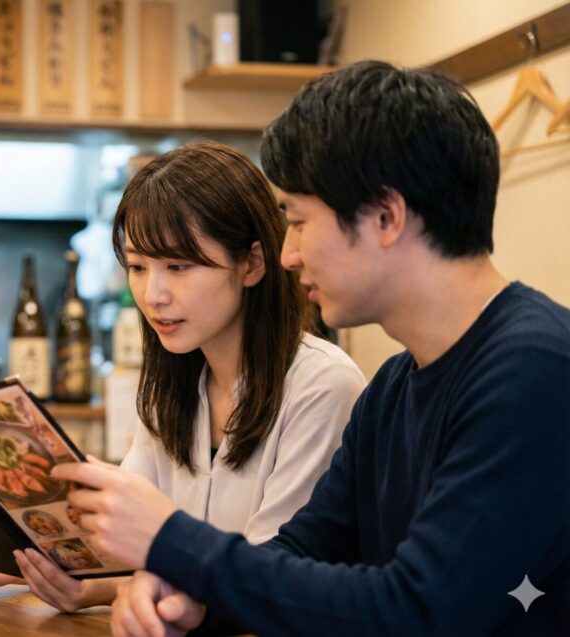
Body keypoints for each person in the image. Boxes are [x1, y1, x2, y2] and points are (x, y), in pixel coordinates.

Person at [55, 61, 570, 636]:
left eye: (297, 222)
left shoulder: (535, 368)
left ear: (385, 216)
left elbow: (419, 609)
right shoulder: (393, 390)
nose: (287, 255)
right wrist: (186, 591)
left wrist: (171, 542)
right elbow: (300, 556)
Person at [0, 142, 366, 612]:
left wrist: (97, 587)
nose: (153, 294)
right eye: (139, 267)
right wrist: (18, 560)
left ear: (252, 263)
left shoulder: (322, 386)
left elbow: (267, 578)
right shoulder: (172, 388)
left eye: (178, 267)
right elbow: (123, 549)